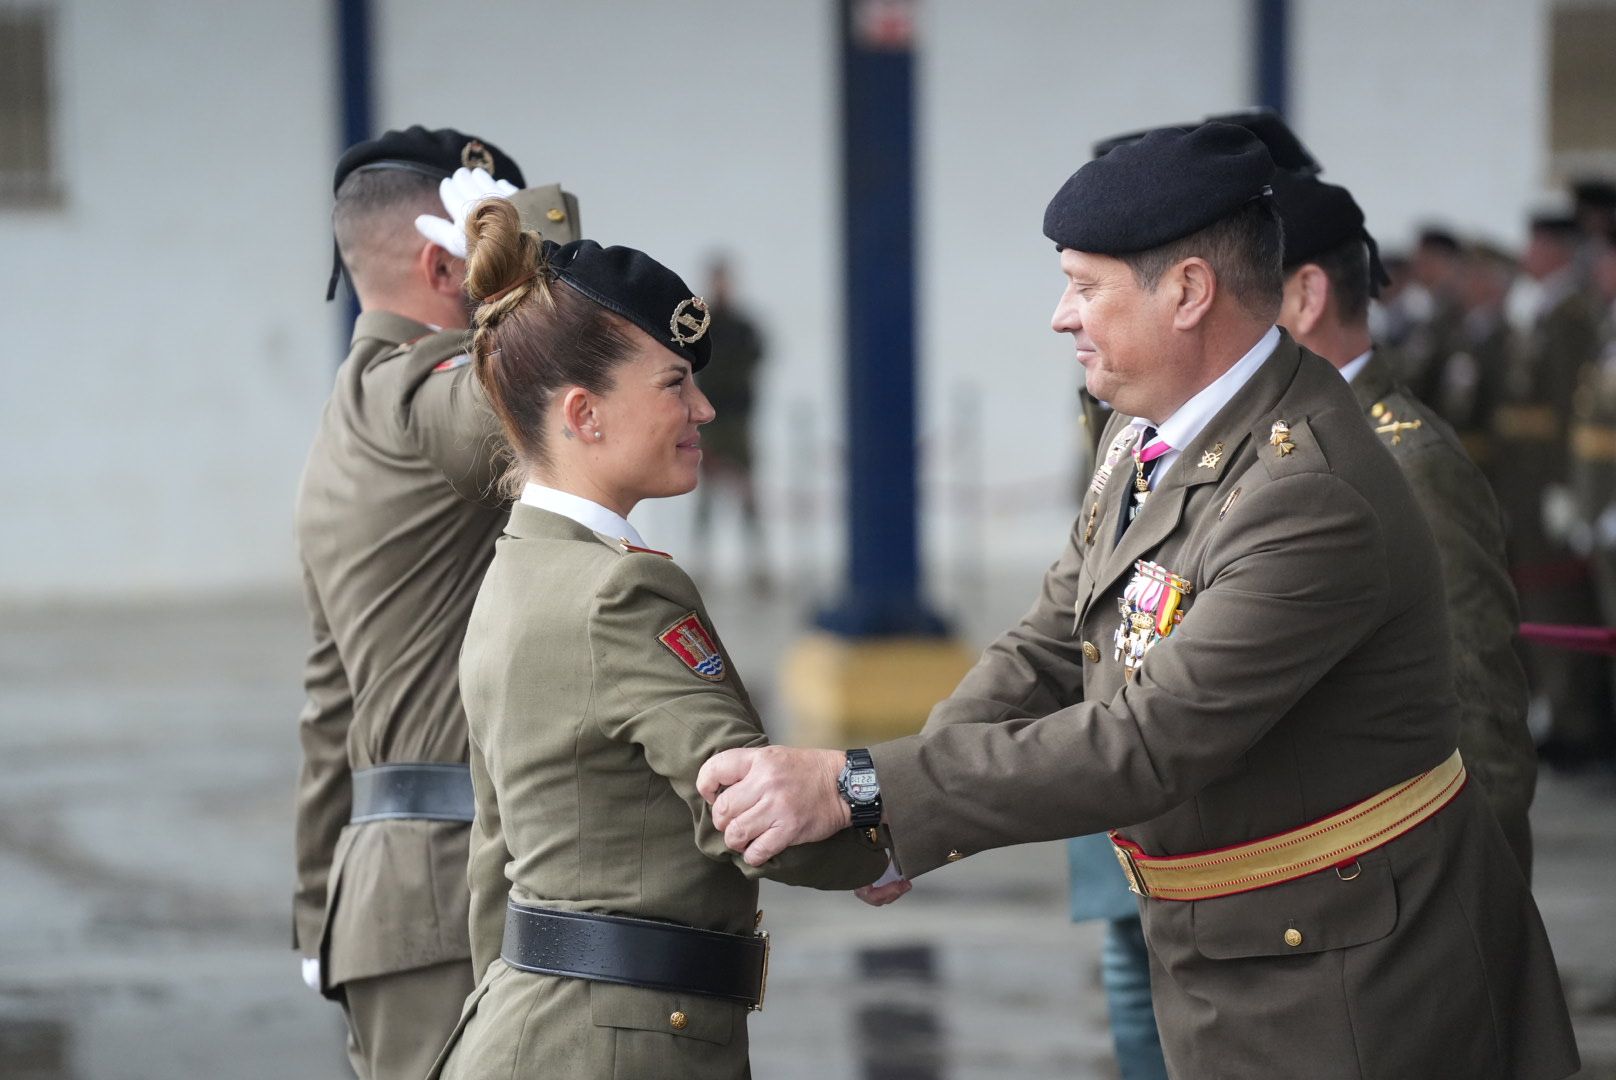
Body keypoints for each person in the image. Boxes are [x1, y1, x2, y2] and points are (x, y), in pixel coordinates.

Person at [696, 123, 1579, 1079]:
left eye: (1084, 286)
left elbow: (1147, 743)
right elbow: (1048, 644)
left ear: (1190, 291)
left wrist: (857, 786)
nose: (1060, 316)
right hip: (1231, 946)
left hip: (1352, 982)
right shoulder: (1144, 432)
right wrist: (902, 825)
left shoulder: (1307, 489)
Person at [426, 201, 888, 1080]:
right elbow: (751, 817)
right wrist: (893, 812)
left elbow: (497, 860)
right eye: (675, 383)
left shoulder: (517, 569)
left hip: (533, 1030)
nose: (705, 409)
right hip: (621, 1046)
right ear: (584, 414)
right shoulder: (621, 589)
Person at [292, 125, 581, 1079]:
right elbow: (543, 374)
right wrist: (532, 249)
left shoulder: (346, 418)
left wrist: (314, 905)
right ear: (443, 261)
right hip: (452, 892)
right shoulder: (421, 393)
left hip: (386, 903)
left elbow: (329, 701)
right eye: (492, 238)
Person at [1268, 168, 1537, 876]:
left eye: (1244, 292)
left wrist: (1483, 895)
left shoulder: (1403, 457)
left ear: (1305, 296)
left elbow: (1479, 701)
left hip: (1412, 880)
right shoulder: (1294, 435)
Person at [1495, 212, 1610, 765]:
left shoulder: (1568, 315)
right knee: (1539, 592)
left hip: (1556, 477)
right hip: (1528, 477)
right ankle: (1559, 709)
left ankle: (1577, 717)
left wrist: (1568, 484)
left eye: (1537, 242)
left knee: (1561, 597)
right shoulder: (1541, 309)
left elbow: (1570, 405)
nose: (1528, 252)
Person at [691, 255, 770, 590]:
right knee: (706, 497)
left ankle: (758, 568)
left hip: (737, 421)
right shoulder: (701, 325)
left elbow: (756, 360)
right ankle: (702, 567)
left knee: (748, 496)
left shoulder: (742, 327)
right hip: (711, 420)